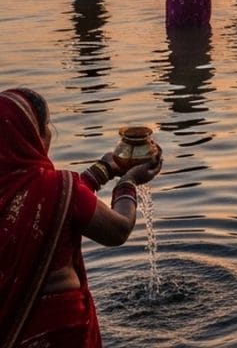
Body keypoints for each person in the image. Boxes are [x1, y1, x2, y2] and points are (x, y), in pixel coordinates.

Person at [1, 87, 162, 347]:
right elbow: (117, 230)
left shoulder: (48, 190)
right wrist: (128, 182)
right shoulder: (56, 187)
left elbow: (62, 203)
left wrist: (106, 168)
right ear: (34, 136)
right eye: (47, 126)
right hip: (59, 333)